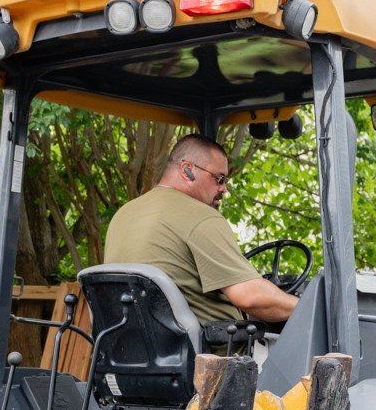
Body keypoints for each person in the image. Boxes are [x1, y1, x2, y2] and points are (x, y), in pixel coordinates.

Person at [104, 133, 298, 327]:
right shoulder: (200, 216)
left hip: (130, 352)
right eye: (219, 179)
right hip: (215, 353)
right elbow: (249, 296)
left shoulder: (123, 214)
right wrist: (306, 305)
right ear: (187, 170)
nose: (224, 189)